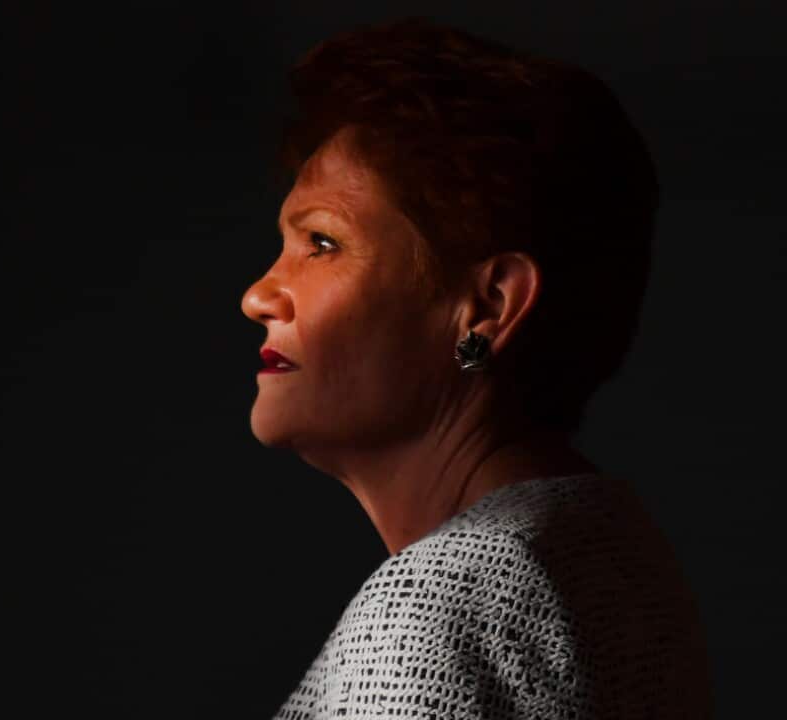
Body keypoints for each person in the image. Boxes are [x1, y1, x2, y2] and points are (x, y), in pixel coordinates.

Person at [240, 17, 712, 720]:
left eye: (322, 242)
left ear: (488, 306)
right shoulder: (614, 553)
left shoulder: (431, 607)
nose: (258, 296)